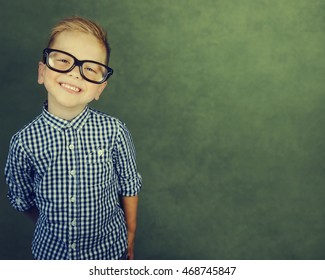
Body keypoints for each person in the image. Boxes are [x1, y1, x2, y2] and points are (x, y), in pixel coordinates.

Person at [4, 16, 142, 260]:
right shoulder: (23, 143)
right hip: (52, 256)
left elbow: (129, 183)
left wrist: (130, 232)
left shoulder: (115, 132)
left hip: (109, 252)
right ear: (42, 71)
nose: (75, 73)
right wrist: (54, 224)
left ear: (99, 88)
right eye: (63, 60)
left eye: (90, 69)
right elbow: (22, 199)